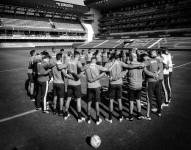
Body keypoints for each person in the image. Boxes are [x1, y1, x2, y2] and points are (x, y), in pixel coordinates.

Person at [85, 57, 108, 125]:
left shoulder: (87, 66)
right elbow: (106, 70)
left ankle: (88, 119)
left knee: (89, 103)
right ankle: (97, 120)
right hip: (97, 86)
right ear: (95, 61)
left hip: (89, 86)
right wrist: (102, 74)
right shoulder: (97, 66)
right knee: (96, 103)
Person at [63, 51, 85, 123]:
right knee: (78, 100)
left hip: (69, 83)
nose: (79, 57)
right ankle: (79, 117)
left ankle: (65, 114)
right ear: (77, 55)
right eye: (78, 56)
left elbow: (63, 69)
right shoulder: (78, 62)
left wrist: (69, 75)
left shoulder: (68, 61)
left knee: (68, 99)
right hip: (76, 83)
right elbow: (82, 69)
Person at [144, 50, 163, 119]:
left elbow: (145, 70)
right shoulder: (158, 60)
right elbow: (160, 68)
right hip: (157, 80)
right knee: (158, 96)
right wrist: (157, 73)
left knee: (149, 98)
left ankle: (148, 115)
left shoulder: (148, 61)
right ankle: (159, 112)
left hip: (150, 81)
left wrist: (152, 74)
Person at [126, 53, 145, 121]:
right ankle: (139, 114)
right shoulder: (141, 64)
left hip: (132, 85)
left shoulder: (129, 65)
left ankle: (130, 116)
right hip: (139, 85)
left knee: (131, 101)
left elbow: (125, 73)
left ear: (130, 58)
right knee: (138, 100)